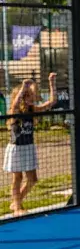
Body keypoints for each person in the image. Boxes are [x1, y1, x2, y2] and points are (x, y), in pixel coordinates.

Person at [5, 73, 57, 216]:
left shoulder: (32, 110)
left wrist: (51, 83)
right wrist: (23, 88)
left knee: (33, 179)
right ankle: (17, 208)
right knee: (18, 178)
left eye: (30, 95)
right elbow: (15, 104)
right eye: (26, 95)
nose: (30, 97)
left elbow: (52, 102)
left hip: (28, 147)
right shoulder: (14, 112)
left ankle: (15, 202)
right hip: (17, 148)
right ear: (21, 96)